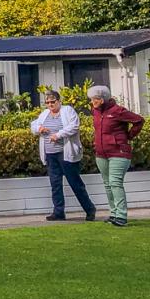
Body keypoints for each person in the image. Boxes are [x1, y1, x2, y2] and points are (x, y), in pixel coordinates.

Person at [30, 89, 97, 222]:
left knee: (75, 183)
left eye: (53, 102)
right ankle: (58, 211)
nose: (50, 105)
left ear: (59, 101)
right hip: (50, 154)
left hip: (65, 153)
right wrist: (39, 129)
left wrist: (58, 135)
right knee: (55, 184)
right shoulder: (45, 114)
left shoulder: (68, 111)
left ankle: (89, 209)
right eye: (47, 102)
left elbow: (74, 126)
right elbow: (34, 126)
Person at [89, 84, 145, 227]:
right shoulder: (95, 111)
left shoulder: (118, 111)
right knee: (108, 184)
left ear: (102, 99)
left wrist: (128, 136)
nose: (92, 102)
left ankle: (121, 215)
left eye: (94, 99)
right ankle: (114, 213)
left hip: (118, 152)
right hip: (101, 153)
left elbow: (139, 120)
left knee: (115, 182)